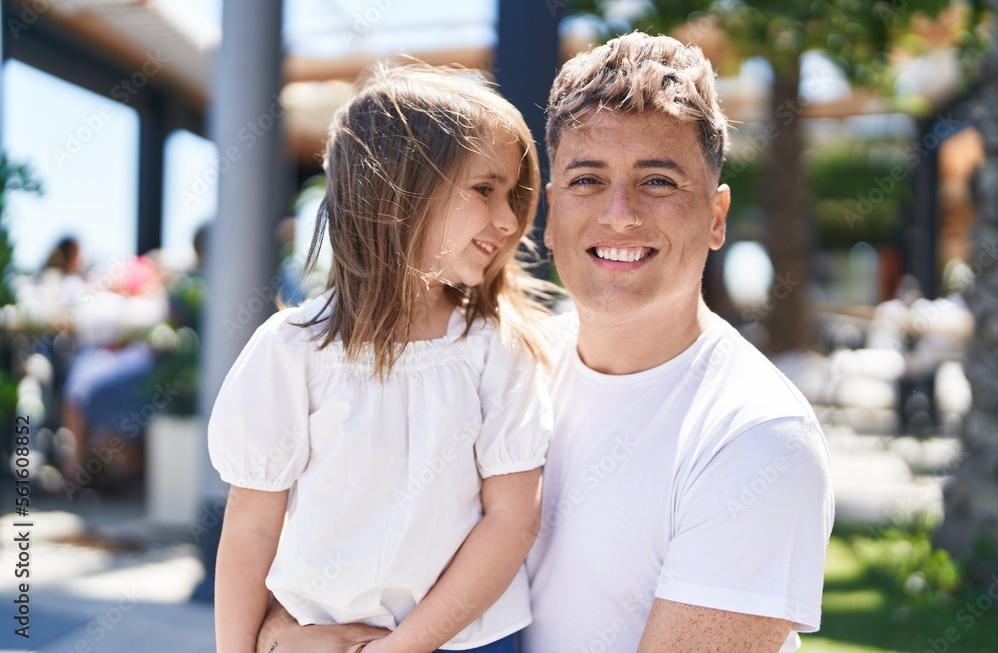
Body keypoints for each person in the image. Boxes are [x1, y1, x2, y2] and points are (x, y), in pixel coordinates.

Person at [256, 32, 834, 653]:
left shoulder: (758, 438)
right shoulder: (492, 361)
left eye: (658, 182)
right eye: (588, 180)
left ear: (716, 216)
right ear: (551, 215)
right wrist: (284, 637)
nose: (619, 213)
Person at [208, 63, 554, 653]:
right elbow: (250, 528)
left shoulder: (496, 348)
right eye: (484, 188)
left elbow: (512, 521)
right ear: (397, 189)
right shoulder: (291, 350)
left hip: (467, 641)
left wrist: (400, 647)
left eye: (512, 195)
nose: (508, 220)